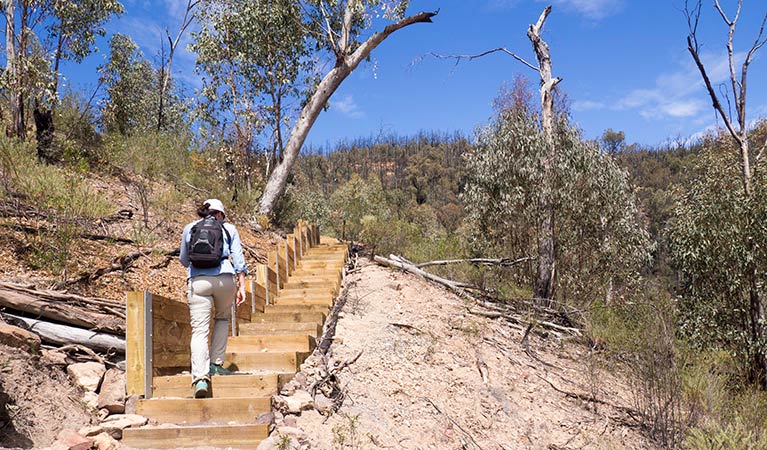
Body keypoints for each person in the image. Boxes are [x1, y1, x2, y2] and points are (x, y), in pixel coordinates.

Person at [179, 199, 247, 398]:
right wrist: (241, 286)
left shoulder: (190, 228)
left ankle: (200, 378)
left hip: (199, 281)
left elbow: (184, 260)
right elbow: (239, 259)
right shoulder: (229, 229)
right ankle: (216, 365)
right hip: (225, 280)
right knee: (222, 318)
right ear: (220, 214)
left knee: (199, 330)